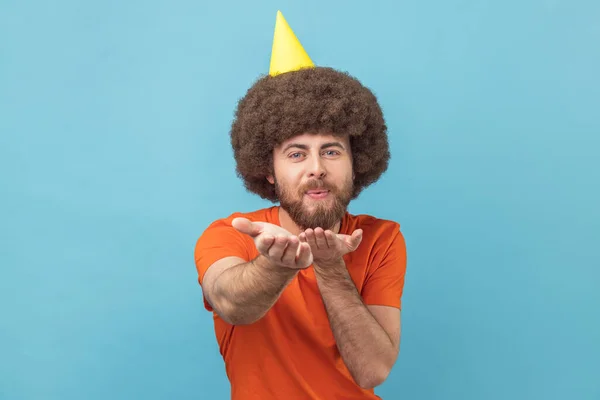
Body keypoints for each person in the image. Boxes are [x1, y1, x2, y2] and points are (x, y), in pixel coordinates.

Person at [194, 11, 407, 400]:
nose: (316, 169)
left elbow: (373, 369)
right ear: (268, 169)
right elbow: (232, 304)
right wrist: (277, 265)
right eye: (296, 154)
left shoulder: (380, 238)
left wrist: (328, 265)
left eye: (331, 151)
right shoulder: (229, 234)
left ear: (356, 161)